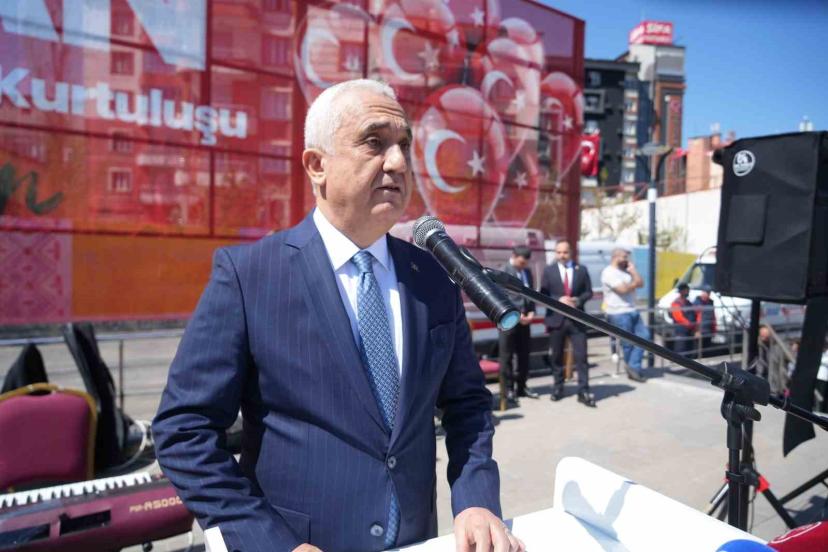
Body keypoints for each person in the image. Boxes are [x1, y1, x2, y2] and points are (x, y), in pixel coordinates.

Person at [152, 80, 523, 552]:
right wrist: (269, 542)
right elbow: (184, 431)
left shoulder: (433, 278)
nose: (398, 162)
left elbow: (467, 404)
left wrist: (476, 499)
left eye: (404, 145)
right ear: (317, 165)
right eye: (374, 142)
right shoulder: (250, 276)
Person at [540, 240, 595, 407]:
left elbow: (588, 292)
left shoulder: (581, 270)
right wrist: (558, 300)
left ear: (570, 253)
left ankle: (583, 390)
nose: (562, 255)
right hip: (556, 320)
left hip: (577, 320)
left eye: (565, 252)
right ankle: (558, 387)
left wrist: (577, 300)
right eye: (559, 252)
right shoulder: (548, 270)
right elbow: (543, 294)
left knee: (581, 357)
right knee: (556, 356)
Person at [498, 246, 538, 404]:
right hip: (509, 321)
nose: (523, 266)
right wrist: (516, 314)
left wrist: (532, 311)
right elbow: (500, 296)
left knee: (524, 355)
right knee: (506, 356)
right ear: (513, 256)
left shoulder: (527, 271)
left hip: (525, 320)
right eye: (521, 262)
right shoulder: (503, 271)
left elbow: (530, 293)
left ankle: (522, 387)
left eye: (525, 263)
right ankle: (508, 390)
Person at [601, 248, 647, 382]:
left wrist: (633, 272)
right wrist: (633, 284)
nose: (627, 260)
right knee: (627, 344)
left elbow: (641, 283)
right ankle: (633, 370)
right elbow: (622, 290)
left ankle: (632, 366)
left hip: (632, 309)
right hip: (618, 312)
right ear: (616, 257)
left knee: (645, 337)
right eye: (625, 257)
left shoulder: (627, 271)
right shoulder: (608, 272)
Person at [670, 283, 696, 355]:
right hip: (681, 332)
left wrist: (694, 327)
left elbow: (694, 314)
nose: (688, 292)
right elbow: (679, 318)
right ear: (681, 291)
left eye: (688, 290)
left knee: (689, 351)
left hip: (690, 332)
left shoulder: (689, 303)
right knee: (681, 351)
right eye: (686, 290)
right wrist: (690, 324)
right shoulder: (675, 303)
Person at [692, 285, 716, 356]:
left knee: (706, 352)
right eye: (706, 292)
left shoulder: (711, 302)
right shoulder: (696, 302)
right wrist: (696, 331)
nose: (707, 294)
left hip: (708, 331)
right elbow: (694, 318)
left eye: (709, 293)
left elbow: (713, 317)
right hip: (699, 332)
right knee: (697, 352)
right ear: (702, 292)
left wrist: (714, 330)